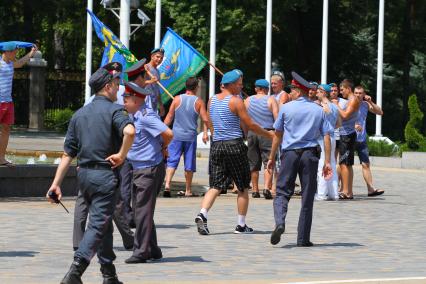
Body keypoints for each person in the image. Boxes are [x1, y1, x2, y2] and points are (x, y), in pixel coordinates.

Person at [46, 66, 135, 284]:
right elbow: (130, 131)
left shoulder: (79, 114)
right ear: (107, 87)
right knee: (97, 225)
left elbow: (67, 154)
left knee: (102, 224)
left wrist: (55, 184)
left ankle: (109, 275)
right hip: (105, 176)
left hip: (84, 177)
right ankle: (74, 273)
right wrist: (122, 155)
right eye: (116, 84)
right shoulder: (116, 110)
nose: (118, 88)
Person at [194, 69, 274, 235]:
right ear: (230, 85)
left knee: (215, 185)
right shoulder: (236, 101)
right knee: (243, 186)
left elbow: (209, 121)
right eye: (239, 84)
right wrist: (269, 135)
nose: (241, 86)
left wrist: (215, 135)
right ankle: (241, 224)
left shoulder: (212, 100)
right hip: (234, 145)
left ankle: (203, 213)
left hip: (217, 146)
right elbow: (250, 124)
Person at [72, 63, 135, 252]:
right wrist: (122, 154)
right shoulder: (111, 103)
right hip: (109, 158)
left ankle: (78, 242)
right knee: (113, 202)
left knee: (83, 200)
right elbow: (128, 130)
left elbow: (78, 133)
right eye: (114, 77)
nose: (117, 82)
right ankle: (128, 239)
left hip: (88, 161)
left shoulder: (89, 104)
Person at [267, 71, 333, 247]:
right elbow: (327, 136)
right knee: (307, 195)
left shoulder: (286, 108)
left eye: (292, 89)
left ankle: (280, 222)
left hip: (289, 154)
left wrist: (272, 157)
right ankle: (303, 238)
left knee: (282, 192)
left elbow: (277, 135)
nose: (290, 92)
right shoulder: (318, 110)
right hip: (310, 155)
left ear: (298, 91)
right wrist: (327, 161)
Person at [122, 81, 173, 264]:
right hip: (140, 168)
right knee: (142, 210)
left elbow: (168, 133)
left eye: (126, 99)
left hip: (148, 169)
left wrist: (162, 146)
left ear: (135, 100)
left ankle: (141, 251)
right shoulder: (136, 115)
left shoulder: (145, 116)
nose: (123, 102)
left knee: (142, 211)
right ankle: (153, 249)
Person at [163, 77, 209, 197]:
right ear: (196, 87)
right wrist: (205, 133)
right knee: (189, 163)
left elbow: (169, 116)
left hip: (176, 135)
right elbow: (205, 119)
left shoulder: (177, 99)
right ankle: (188, 190)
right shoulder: (199, 102)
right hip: (190, 136)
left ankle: (167, 184)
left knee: (172, 161)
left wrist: (161, 130)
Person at [0, 42, 37, 166]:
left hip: (8, 102)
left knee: (6, 129)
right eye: (14, 52)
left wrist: (31, 53)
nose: (16, 54)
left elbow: (20, 63)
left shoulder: (10, 64)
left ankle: (1, 158)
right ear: (7, 52)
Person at [244, 79, 278, 199]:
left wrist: (245, 132)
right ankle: (266, 188)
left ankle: (255, 189)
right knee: (268, 161)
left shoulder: (248, 100)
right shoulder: (271, 100)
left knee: (253, 163)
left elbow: (243, 119)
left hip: (252, 133)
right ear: (266, 89)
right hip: (267, 132)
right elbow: (277, 118)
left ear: (256, 89)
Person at [354, 86, 385, 197]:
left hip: (361, 139)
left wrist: (371, 101)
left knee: (366, 164)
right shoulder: (348, 103)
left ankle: (371, 189)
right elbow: (342, 118)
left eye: (360, 93)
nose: (357, 95)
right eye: (356, 93)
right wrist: (354, 125)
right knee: (344, 165)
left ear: (364, 94)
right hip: (349, 138)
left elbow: (380, 112)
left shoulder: (365, 105)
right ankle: (339, 188)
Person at [335, 79, 360, 199]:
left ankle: (346, 191)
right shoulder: (351, 100)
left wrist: (336, 106)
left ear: (348, 89)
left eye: (342, 90)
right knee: (347, 164)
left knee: (344, 164)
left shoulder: (353, 100)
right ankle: (349, 191)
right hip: (346, 134)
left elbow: (345, 115)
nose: (341, 92)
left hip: (347, 135)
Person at [315, 84, 341, 201]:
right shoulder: (335, 106)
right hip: (332, 137)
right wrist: (331, 127)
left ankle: (321, 194)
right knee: (332, 164)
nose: (316, 93)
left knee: (322, 164)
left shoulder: (323, 106)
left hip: (322, 138)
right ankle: (333, 193)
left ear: (324, 92)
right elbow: (339, 123)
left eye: (318, 91)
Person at [144, 48, 166, 116]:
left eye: (161, 58)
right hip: (145, 104)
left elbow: (157, 89)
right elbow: (140, 83)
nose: (159, 59)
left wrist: (161, 105)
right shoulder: (145, 67)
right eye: (157, 57)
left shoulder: (157, 71)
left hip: (154, 104)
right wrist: (151, 81)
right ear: (152, 56)